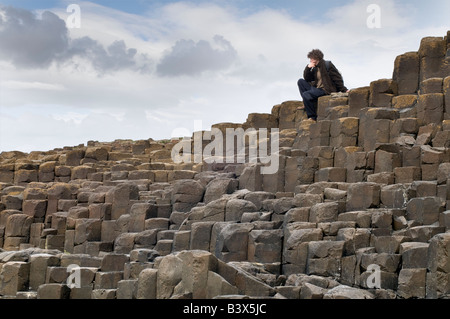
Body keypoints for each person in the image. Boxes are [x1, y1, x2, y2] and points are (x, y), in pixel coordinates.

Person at [297, 49, 348, 121]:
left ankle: (312, 117)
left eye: (311, 59)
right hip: (316, 88)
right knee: (300, 81)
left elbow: (337, 78)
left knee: (306, 94)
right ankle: (306, 103)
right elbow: (307, 79)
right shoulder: (315, 68)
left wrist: (344, 89)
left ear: (316, 58)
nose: (310, 60)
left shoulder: (327, 65)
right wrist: (308, 68)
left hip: (325, 90)